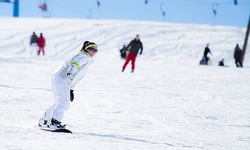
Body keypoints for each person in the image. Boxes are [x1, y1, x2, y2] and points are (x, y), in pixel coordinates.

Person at [38, 41, 98, 129]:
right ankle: (54, 122)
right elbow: (74, 65)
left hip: (59, 77)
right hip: (63, 78)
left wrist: (71, 89)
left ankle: (44, 121)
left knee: (59, 102)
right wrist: (69, 75)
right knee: (64, 102)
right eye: (91, 49)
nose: (93, 52)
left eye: (95, 51)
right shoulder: (84, 56)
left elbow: (76, 75)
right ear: (86, 49)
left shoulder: (83, 56)